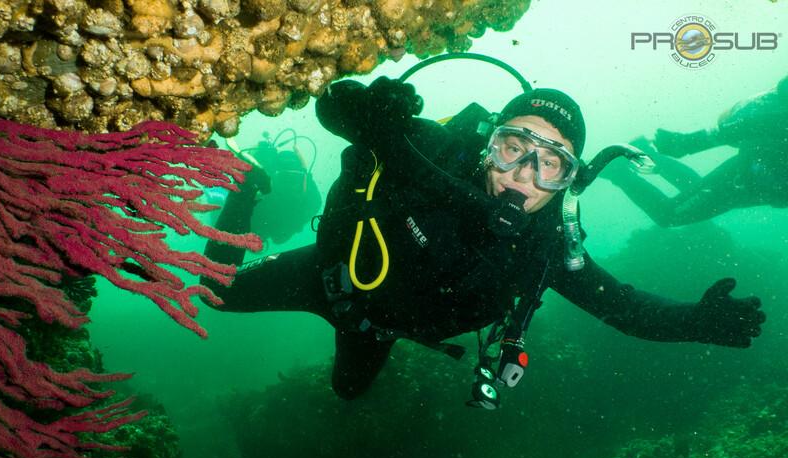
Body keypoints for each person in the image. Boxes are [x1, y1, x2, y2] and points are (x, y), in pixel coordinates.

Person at [201, 75, 765, 407]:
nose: (524, 172)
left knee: (349, 393)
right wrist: (371, 108)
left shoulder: (544, 247)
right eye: (514, 146)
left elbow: (623, 307)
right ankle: (246, 184)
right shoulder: (434, 150)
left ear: (570, 181)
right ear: (488, 143)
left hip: (379, 329)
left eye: (552, 164)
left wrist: (693, 321)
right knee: (209, 293)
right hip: (326, 277)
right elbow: (332, 106)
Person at [603, 74, 788, 227]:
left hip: (758, 182)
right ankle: (617, 172)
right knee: (670, 215)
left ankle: (644, 153)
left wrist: (689, 142)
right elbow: (763, 124)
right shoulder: (777, 119)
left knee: (696, 189)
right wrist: (690, 142)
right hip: (750, 177)